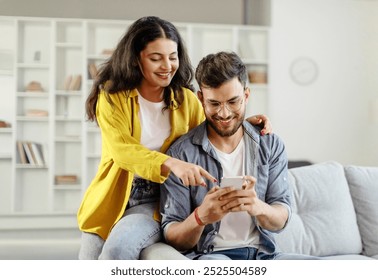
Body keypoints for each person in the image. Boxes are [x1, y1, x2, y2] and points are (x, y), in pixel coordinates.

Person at [77, 17, 272, 260]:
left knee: (118, 249)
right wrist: (170, 163)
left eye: (172, 56)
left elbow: (212, 124)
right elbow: (121, 149)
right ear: (136, 59)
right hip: (114, 193)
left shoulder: (186, 99)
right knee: (88, 260)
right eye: (155, 58)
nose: (167, 65)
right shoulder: (113, 96)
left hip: (160, 199)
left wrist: (242, 121)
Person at [160, 51, 318, 260]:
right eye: (214, 103)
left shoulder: (270, 145)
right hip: (213, 257)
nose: (224, 114)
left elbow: (281, 217)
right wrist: (201, 217)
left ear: (246, 94)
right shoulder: (181, 154)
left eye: (233, 102)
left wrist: (258, 207)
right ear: (201, 98)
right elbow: (172, 236)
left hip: (265, 256)